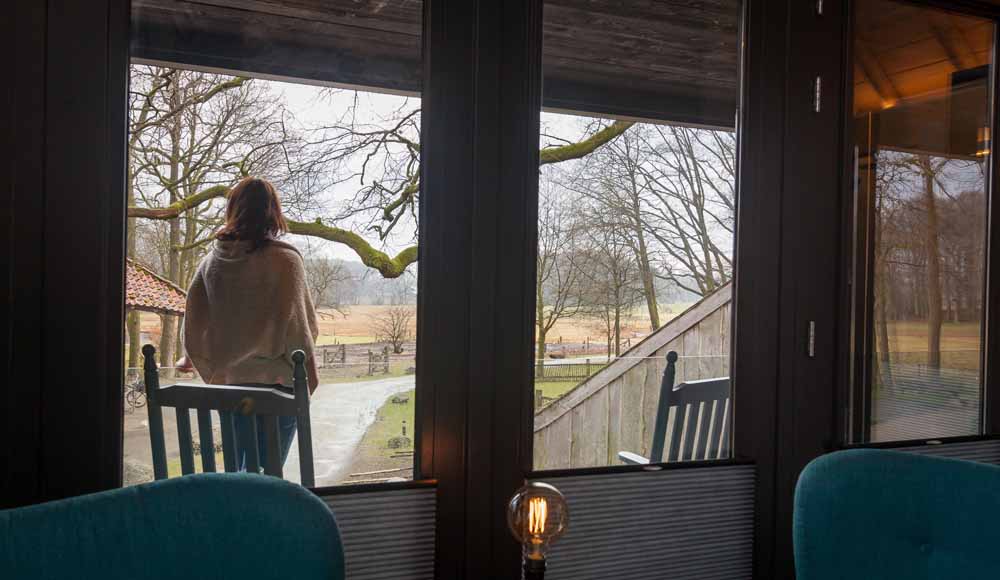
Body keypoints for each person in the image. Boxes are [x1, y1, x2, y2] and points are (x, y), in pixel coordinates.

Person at [177, 176, 320, 471]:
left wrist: (198, 358)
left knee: (240, 471)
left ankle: (235, 513)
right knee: (267, 476)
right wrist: (310, 375)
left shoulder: (211, 262)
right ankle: (255, 516)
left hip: (230, 387)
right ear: (273, 211)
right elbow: (299, 331)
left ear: (233, 209)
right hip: (278, 388)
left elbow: (193, 321)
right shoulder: (286, 262)